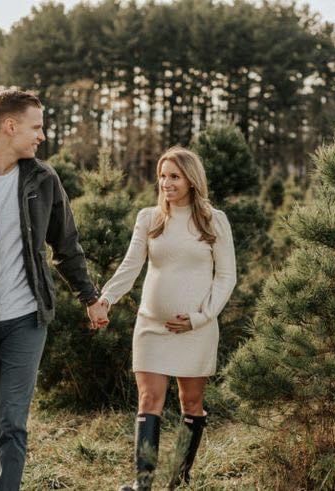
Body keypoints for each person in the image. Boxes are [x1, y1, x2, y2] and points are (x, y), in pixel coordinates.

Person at [0, 89, 109, 490]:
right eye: (36, 127)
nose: (42, 136)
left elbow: (66, 245)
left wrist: (90, 297)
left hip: (27, 320)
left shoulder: (43, 179)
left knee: (12, 422)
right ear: (10, 127)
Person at [99, 146, 237, 491]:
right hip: (151, 325)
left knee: (191, 402)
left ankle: (178, 480)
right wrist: (105, 298)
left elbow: (226, 277)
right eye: (162, 176)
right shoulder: (149, 218)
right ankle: (142, 483)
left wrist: (200, 318)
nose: (165, 183)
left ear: (191, 180)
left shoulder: (212, 220)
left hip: (195, 329)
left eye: (174, 176)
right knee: (149, 400)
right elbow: (132, 266)